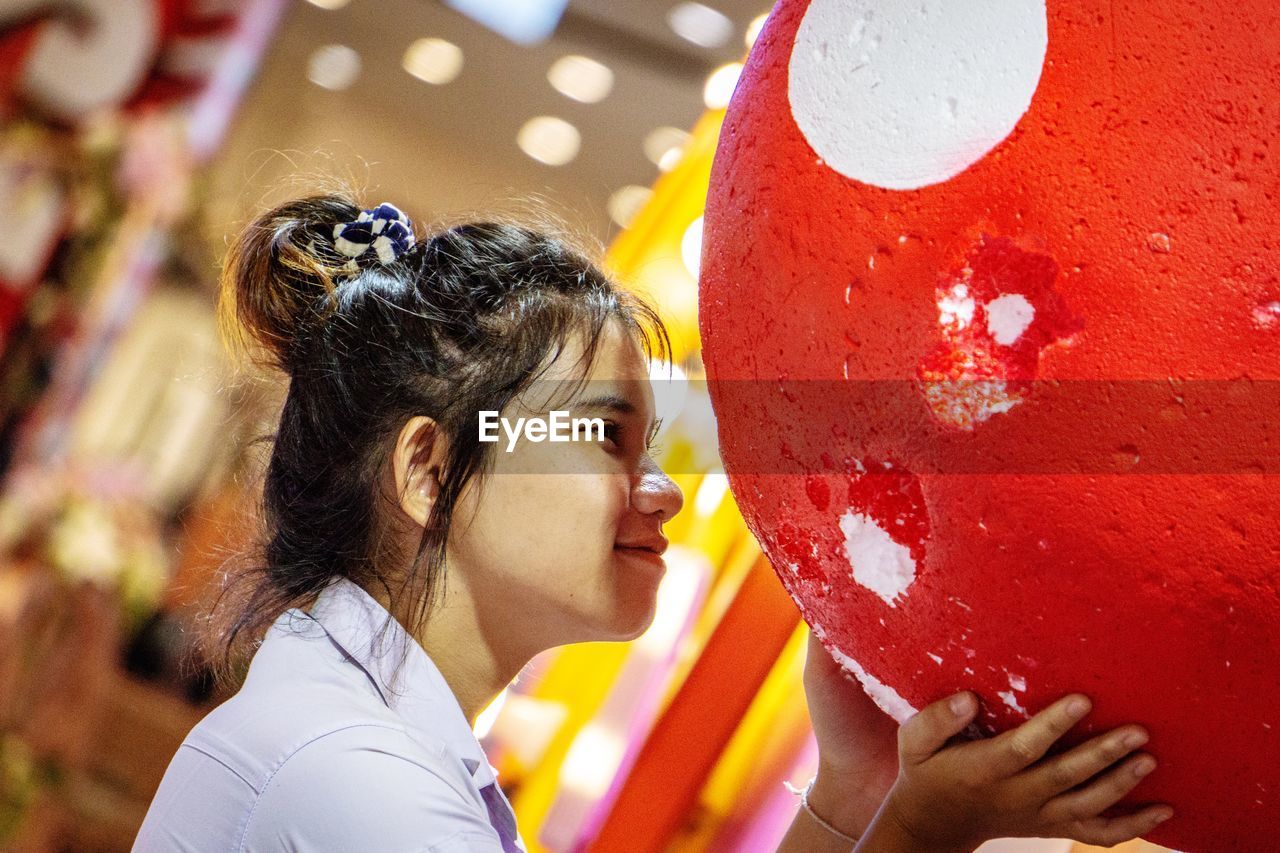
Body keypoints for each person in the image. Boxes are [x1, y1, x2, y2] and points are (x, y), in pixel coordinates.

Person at [133, 194, 1173, 852]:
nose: (664, 490)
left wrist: (852, 791)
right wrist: (920, 831)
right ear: (429, 465)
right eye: (602, 438)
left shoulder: (364, 739)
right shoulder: (355, 778)